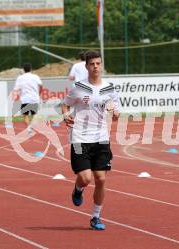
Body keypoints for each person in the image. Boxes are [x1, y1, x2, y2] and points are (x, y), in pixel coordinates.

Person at [61, 50, 119, 230]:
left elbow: (116, 113)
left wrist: (115, 113)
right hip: (79, 138)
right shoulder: (79, 87)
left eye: (98, 63)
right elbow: (65, 104)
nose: (95, 66)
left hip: (101, 138)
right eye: (92, 64)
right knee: (85, 178)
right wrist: (65, 115)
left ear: (102, 65)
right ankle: (78, 189)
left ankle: (96, 217)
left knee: (101, 179)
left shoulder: (109, 88)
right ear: (86, 66)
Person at [12, 63, 43, 131]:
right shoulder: (35, 76)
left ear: (23, 70)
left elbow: (16, 89)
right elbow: (40, 85)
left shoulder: (20, 77)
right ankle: (31, 125)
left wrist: (16, 94)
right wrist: (39, 93)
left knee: (25, 115)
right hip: (34, 98)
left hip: (25, 98)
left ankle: (29, 127)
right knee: (34, 114)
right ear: (31, 69)